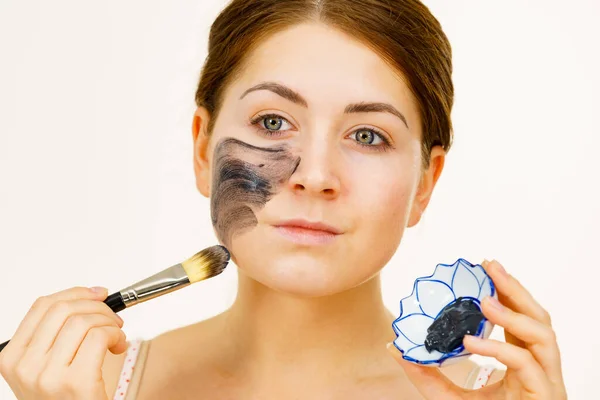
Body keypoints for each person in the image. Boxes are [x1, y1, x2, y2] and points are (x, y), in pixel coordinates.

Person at [0, 0, 567, 398]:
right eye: (273, 121)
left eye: (368, 135)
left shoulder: (497, 397)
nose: (315, 175)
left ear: (425, 181)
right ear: (202, 149)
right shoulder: (86, 388)